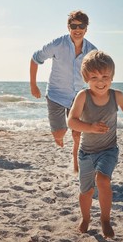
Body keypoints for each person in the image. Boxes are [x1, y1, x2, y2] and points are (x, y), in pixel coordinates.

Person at [67, 50, 123, 238]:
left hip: (108, 150)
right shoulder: (82, 96)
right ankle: (85, 218)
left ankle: (105, 219)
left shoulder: (115, 95)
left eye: (105, 77)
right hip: (86, 152)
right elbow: (71, 121)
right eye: (94, 77)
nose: (100, 82)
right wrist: (90, 127)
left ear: (112, 77)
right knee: (86, 191)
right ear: (86, 78)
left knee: (103, 180)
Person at [30, 10, 97, 172]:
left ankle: (76, 166)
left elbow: (98, 73)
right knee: (60, 133)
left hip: (78, 97)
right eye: (74, 25)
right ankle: (59, 134)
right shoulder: (57, 44)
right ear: (69, 27)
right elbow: (35, 58)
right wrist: (33, 85)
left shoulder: (92, 51)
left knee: (77, 135)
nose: (77, 29)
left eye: (81, 25)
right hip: (55, 96)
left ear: (86, 28)